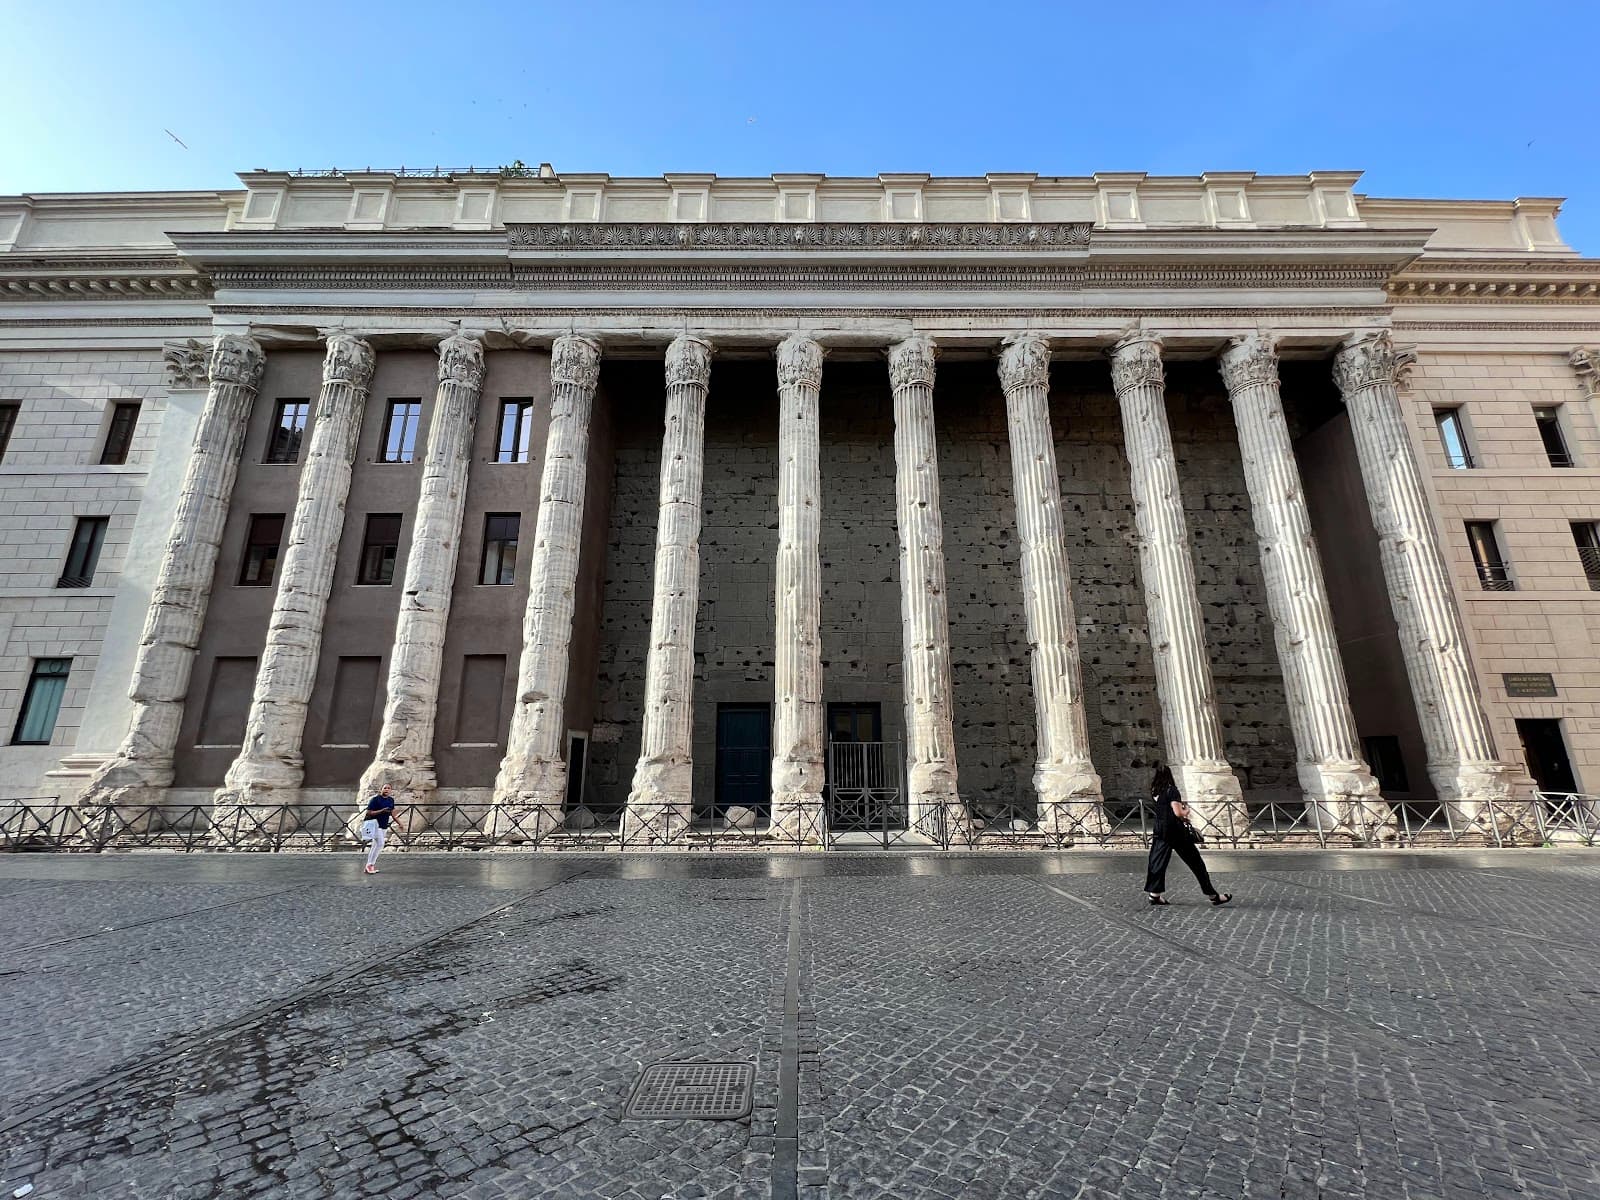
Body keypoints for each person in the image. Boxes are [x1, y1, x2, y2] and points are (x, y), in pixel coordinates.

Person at [1144, 764, 1231, 906]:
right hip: (1175, 832)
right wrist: (1187, 810)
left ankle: (1154, 895)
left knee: (1157, 863)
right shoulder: (1172, 790)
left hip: (1160, 830)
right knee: (1196, 863)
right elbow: (1178, 813)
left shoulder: (1155, 791)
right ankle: (1213, 896)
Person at [359, 784, 403, 875]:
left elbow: (393, 814)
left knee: (375, 845)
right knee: (380, 844)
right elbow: (369, 812)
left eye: (388, 788)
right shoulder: (375, 799)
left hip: (383, 825)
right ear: (381, 790)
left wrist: (400, 823)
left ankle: (369, 866)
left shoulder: (391, 800)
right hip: (374, 825)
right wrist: (381, 810)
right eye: (385, 788)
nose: (386, 789)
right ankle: (370, 865)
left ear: (391, 790)